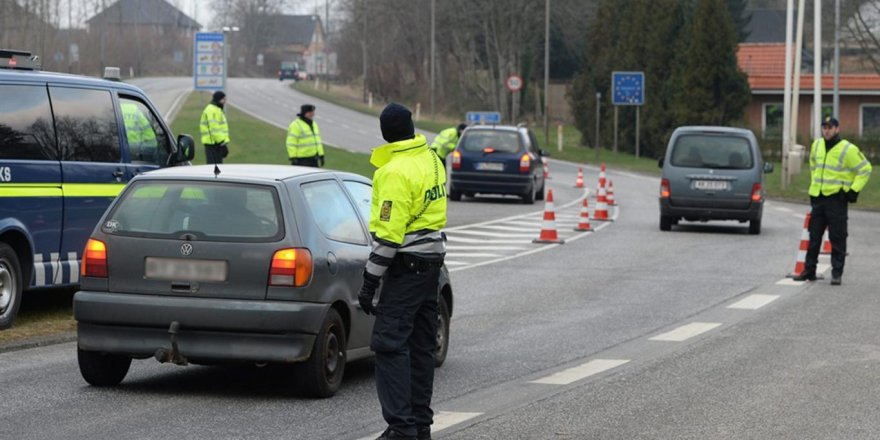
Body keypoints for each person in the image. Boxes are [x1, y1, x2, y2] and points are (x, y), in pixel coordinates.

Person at [358, 103, 448, 440]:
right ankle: (420, 424)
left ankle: (401, 429)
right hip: (432, 263)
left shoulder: (394, 172)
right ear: (411, 128)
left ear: (385, 133)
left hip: (407, 264)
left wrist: (369, 281)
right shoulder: (432, 160)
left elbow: (389, 237)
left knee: (389, 343)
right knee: (422, 345)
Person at [794, 116, 872, 285]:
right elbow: (814, 166)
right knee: (814, 236)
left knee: (837, 237)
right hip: (819, 198)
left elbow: (865, 169)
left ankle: (836, 273)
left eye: (830, 127)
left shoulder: (847, 149)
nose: (827, 130)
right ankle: (809, 271)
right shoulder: (817, 145)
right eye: (824, 127)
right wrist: (815, 186)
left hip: (837, 199)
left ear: (837, 129)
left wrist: (853, 190)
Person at [200, 91, 230, 164]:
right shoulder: (212, 110)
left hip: (215, 143)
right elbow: (214, 129)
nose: (225, 102)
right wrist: (222, 143)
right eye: (223, 99)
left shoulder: (215, 109)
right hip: (213, 144)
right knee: (214, 169)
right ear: (218, 99)